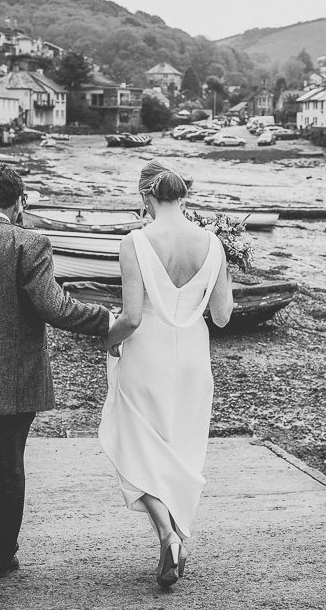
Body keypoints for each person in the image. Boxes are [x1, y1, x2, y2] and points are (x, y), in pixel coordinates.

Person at [0, 165, 110, 604]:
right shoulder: (30, 243)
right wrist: (110, 320)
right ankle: (1, 557)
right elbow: (55, 307)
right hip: (17, 384)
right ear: (18, 203)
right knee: (8, 468)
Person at [99, 159, 233, 589]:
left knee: (136, 442)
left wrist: (106, 338)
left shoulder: (135, 242)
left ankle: (167, 533)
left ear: (145, 197)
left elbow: (133, 317)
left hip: (147, 353)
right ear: (183, 195)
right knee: (180, 448)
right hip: (193, 355)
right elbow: (224, 316)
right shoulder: (213, 243)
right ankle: (173, 540)